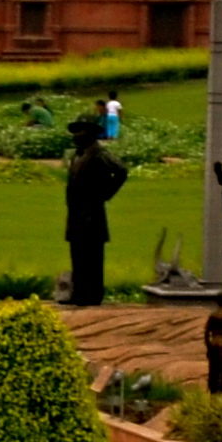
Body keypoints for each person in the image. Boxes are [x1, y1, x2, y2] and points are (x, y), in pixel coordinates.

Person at [68, 126, 130, 307]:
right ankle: (79, 293)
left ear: (89, 134)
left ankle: (92, 294)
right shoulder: (78, 155)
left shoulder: (99, 153)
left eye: (79, 131)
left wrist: (105, 193)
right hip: (75, 213)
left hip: (92, 213)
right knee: (77, 254)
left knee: (92, 255)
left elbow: (121, 171)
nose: (76, 135)